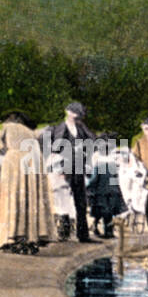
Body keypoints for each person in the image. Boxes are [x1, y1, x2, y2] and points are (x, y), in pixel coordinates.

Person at [0, 110, 54, 254]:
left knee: (12, 199)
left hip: (15, 162)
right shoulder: (31, 132)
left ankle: (12, 236)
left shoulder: (7, 128)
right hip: (35, 162)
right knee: (31, 200)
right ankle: (31, 237)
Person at [48, 102, 96, 243]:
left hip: (78, 167)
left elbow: (93, 140)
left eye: (79, 114)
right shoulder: (58, 128)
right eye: (74, 113)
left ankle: (83, 234)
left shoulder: (81, 128)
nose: (77, 116)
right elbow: (53, 148)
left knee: (80, 201)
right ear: (67, 112)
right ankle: (64, 232)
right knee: (63, 201)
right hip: (63, 168)